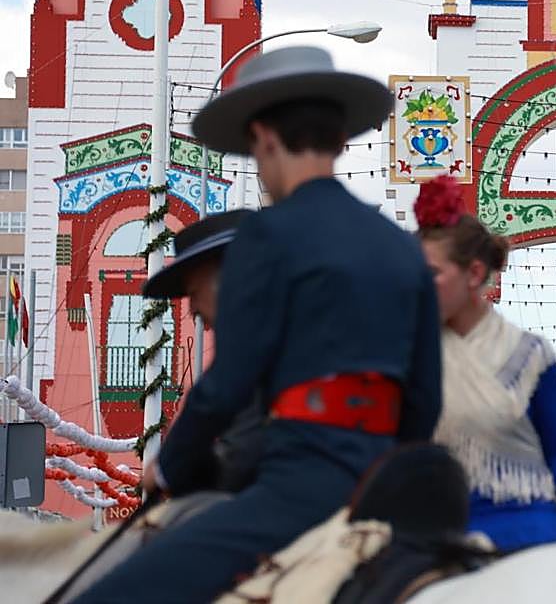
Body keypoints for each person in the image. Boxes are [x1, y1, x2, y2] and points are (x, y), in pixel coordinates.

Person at [76, 46, 443, 603]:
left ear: (265, 137)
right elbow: (424, 400)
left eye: (254, 151)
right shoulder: (402, 250)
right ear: (339, 139)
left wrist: (168, 467)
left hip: (302, 486)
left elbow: (230, 382)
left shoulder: (266, 237)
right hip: (391, 491)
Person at [415, 175, 556, 551]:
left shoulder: (530, 354)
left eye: (431, 273)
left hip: (526, 525)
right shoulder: (413, 353)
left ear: (474, 274)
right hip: (436, 527)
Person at [142, 208, 261, 492]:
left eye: (194, 293)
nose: (192, 309)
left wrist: (163, 471)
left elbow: (213, 398)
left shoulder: (256, 334)